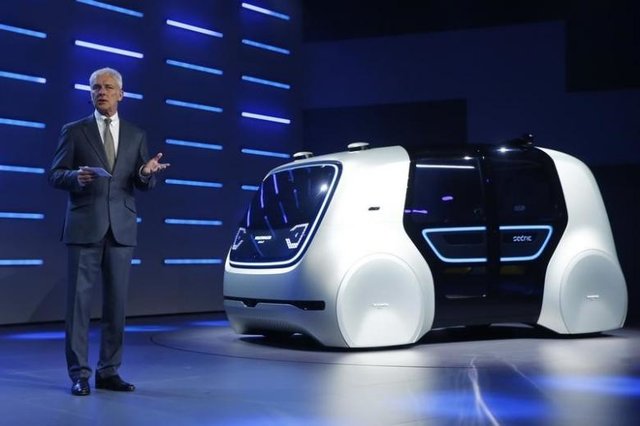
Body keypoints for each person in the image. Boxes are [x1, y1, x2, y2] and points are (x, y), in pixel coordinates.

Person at [48, 67, 169, 396]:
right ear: (90, 94)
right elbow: (55, 174)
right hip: (84, 226)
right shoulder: (74, 131)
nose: (102, 92)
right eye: (96, 88)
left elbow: (142, 182)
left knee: (116, 306)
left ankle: (109, 371)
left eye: (108, 87)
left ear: (121, 94)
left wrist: (146, 172)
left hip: (121, 229)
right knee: (79, 307)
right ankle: (79, 374)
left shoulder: (136, 134)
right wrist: (75, 177)